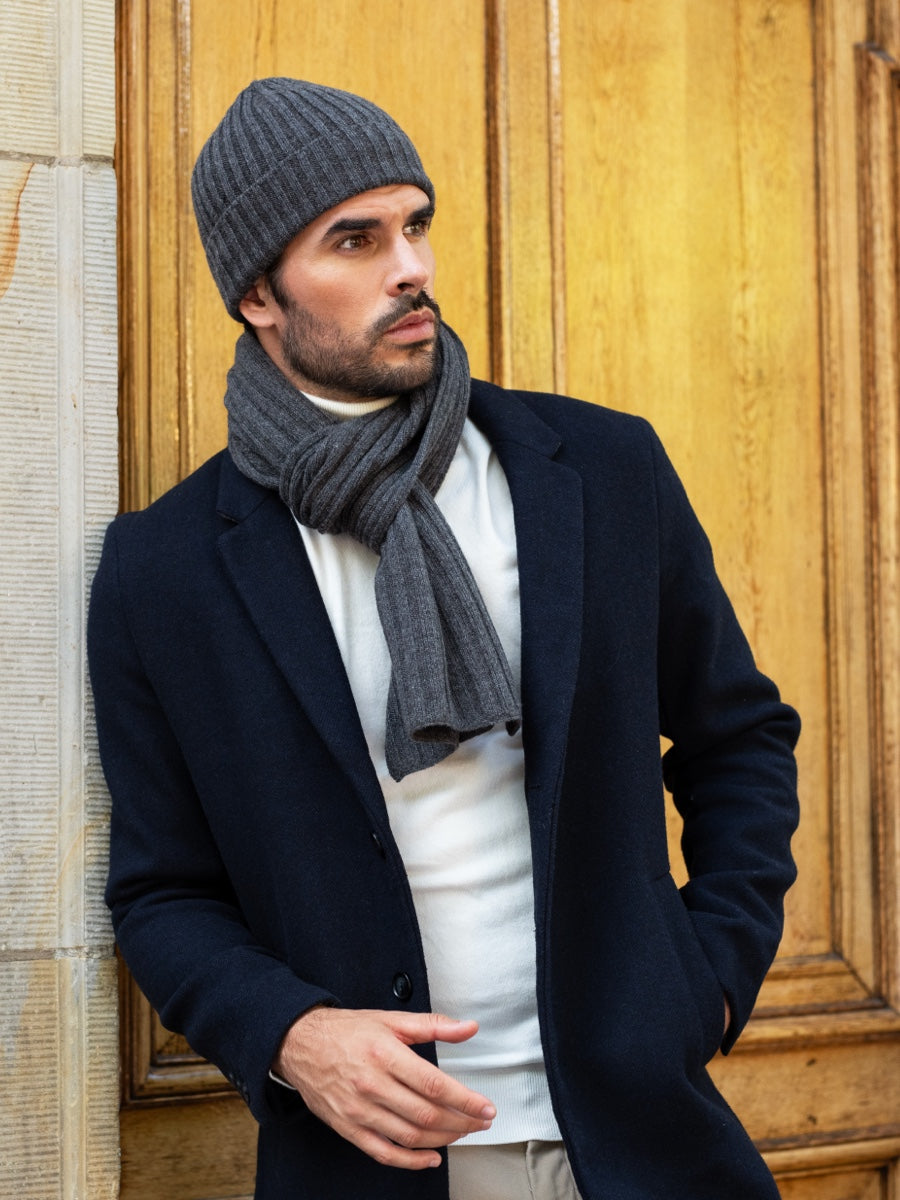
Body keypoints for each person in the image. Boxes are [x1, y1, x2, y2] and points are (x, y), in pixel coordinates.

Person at [88, 78, 800, 1200]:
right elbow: (161, 891)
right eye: (356, 240)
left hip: (640, 1136)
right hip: (377, 1163)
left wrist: (707, 978)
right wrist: (291, 1036)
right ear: (258, 293)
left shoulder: (601, 472)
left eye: (415, 225)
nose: (411, 267)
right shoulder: (165, 568)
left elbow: (739, 739)